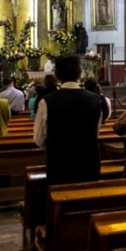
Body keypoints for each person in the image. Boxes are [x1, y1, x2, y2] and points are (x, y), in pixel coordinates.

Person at [33, 54, 103, 185]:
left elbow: (39, 138)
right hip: (88, 164)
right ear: (80, 74)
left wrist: (57, 147)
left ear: (57, 74)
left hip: (59, 166)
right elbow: (95, 133)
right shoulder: (95, 99)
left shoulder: (47, 102)